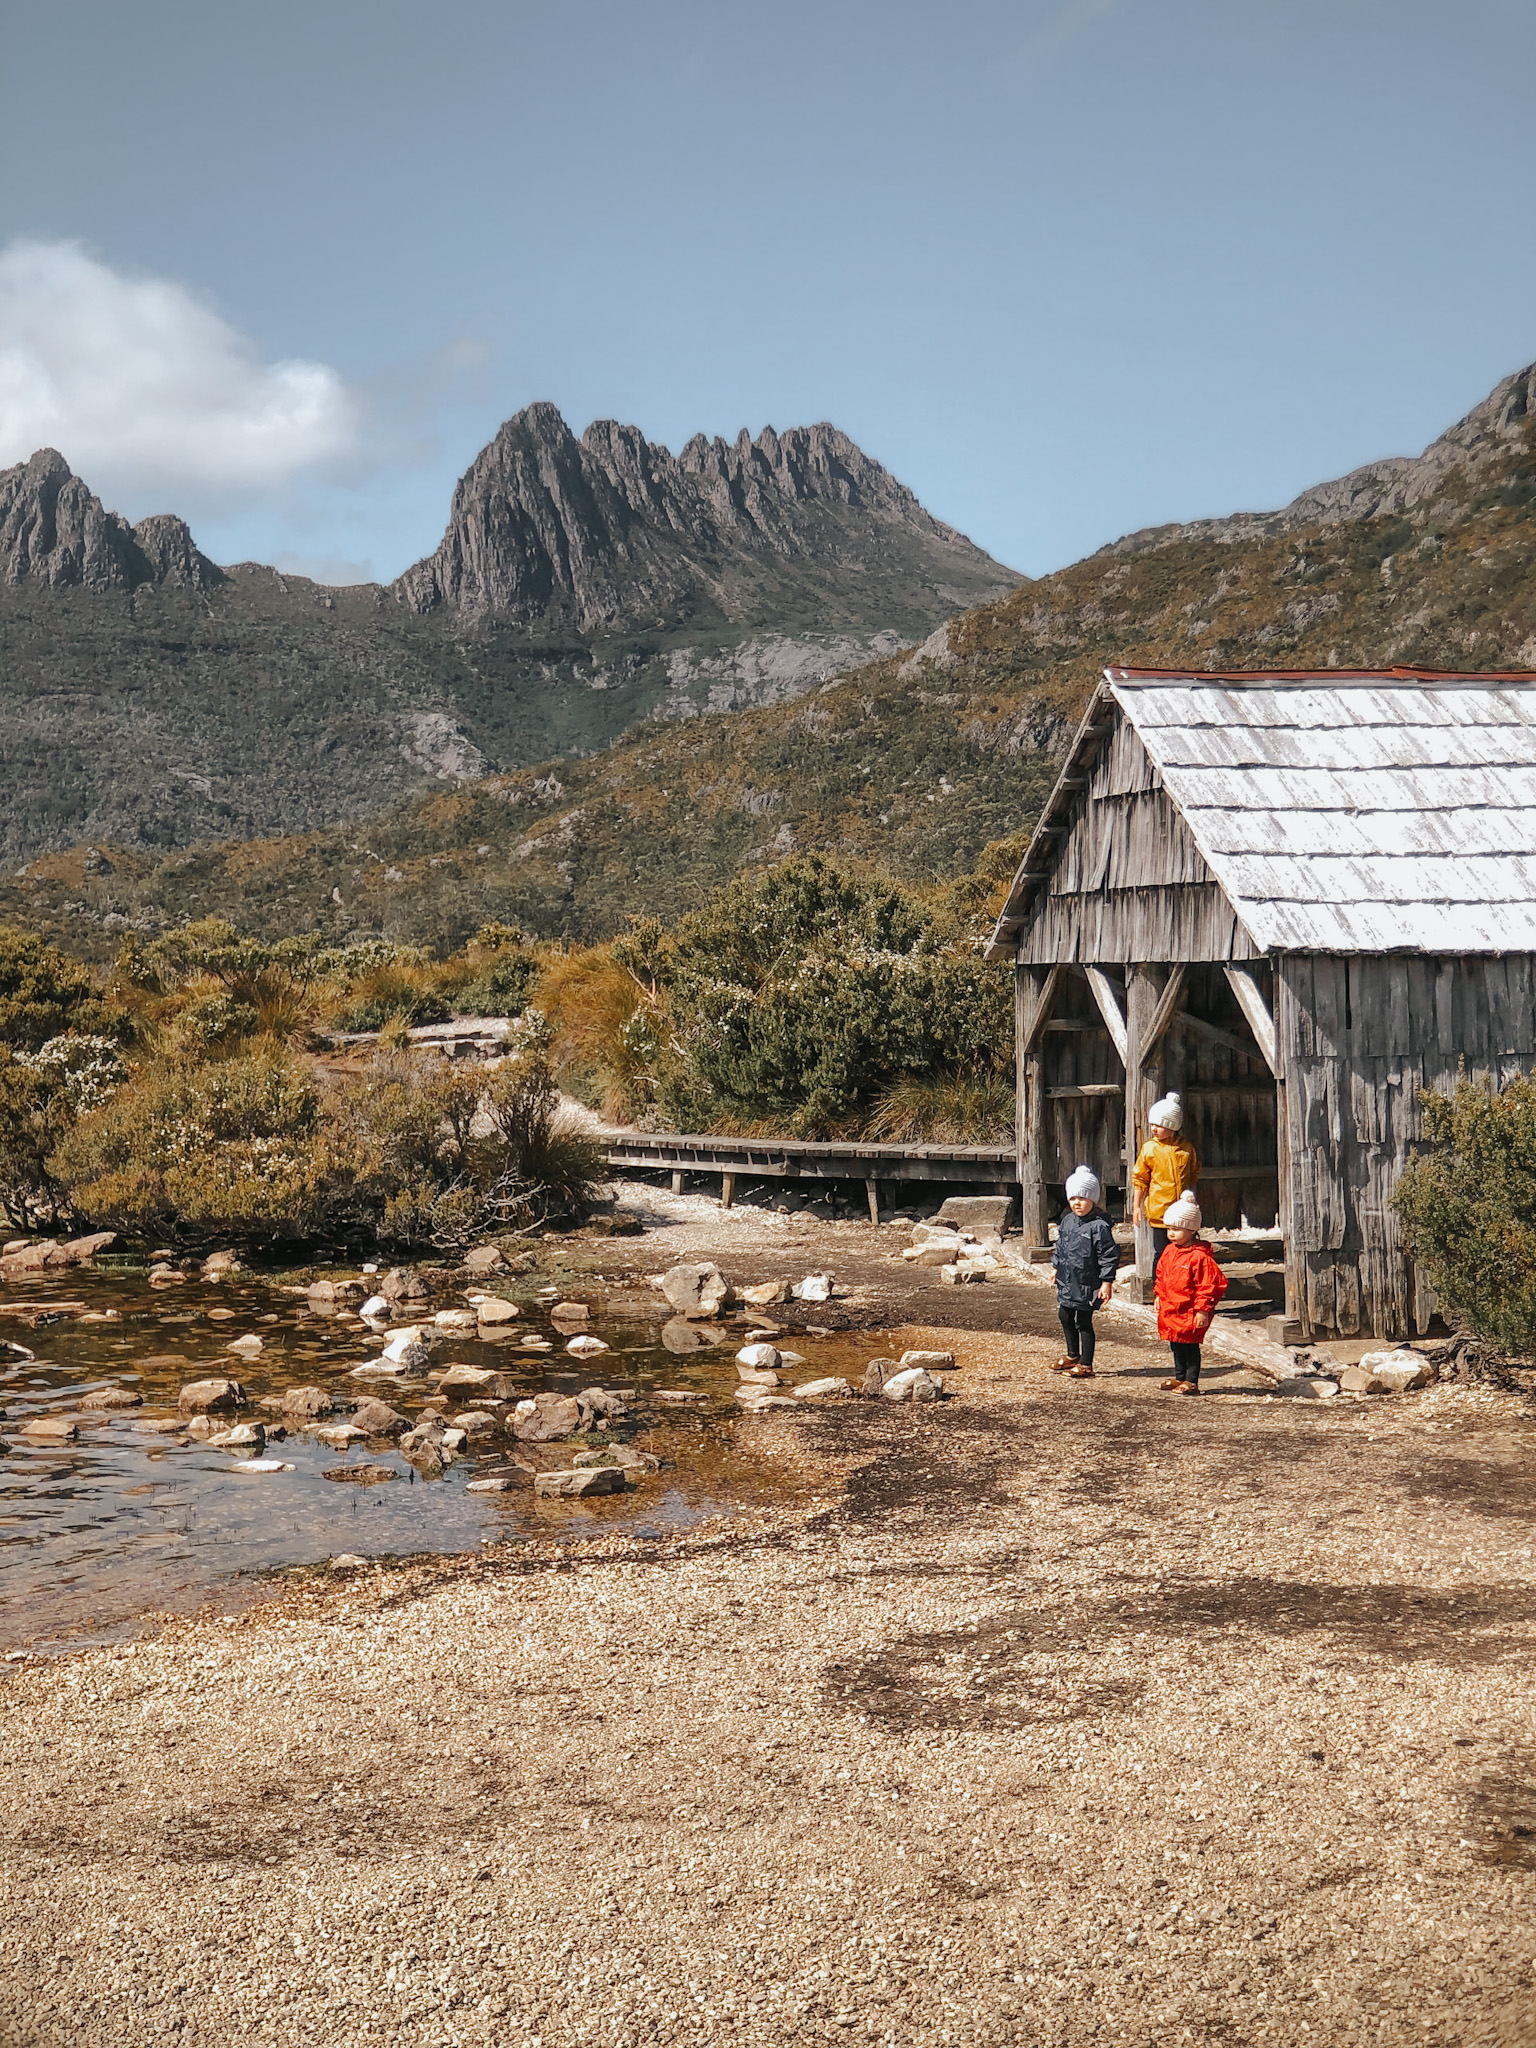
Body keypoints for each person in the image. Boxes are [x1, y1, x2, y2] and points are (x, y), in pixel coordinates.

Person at [1153, 1194, 1227, 1395]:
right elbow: (1161, 1275)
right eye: (1169, 1229)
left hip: (1190, 1310)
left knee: (1190, 1346)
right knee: (1175, 1344)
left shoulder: (1200, 1257)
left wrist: (1203, 1310)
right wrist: (1159, 1294)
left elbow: (1208, 1285)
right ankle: (1179, 1377)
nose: (1171, 1233)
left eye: (1176, 1229)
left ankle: (1192, 1381)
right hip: (1172, 1308)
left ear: (1192, 1229)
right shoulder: (1169, 1251)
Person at [1051, 1165, 1119, 1380]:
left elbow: (1108, 1255)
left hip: (1088, 1282)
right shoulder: (1068, 1221)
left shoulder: (1099, 1226)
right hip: (1068, 1279)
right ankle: (1072, 1354)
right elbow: (1061, 1247)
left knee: (1084, 1321)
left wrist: (1106, 1282)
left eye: (1082, 1198)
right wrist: (1056, 1267)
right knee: (1065, 1314)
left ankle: (1087, 1363)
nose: (1077, 1203)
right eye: (1073, 1199)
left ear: (1093, 1199)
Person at [1130, 1092, 1200, 1277]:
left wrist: (1192, 1201)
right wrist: (1136, 1206)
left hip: (1183, 1212)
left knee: (1186, 1253)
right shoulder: (1149, 1148)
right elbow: (1140, 1179)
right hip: (1160, 1213)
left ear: (1172, 1126)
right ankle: (1159, 1289)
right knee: (1161, 1253)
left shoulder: (1186, 1149)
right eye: (1152, 1124)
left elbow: (1193, 1175)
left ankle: (1183, 1286)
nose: (1154, 1128)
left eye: (1159, 1125)